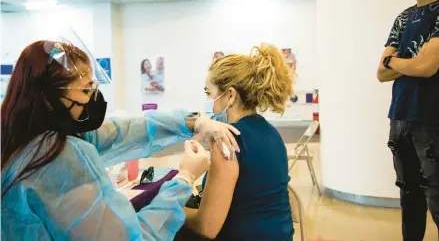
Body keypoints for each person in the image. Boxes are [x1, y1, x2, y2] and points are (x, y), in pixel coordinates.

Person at [1, 40, 241, 241]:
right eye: (86, 91)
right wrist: (184, 179)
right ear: (49, 98)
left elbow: (126, 131)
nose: (94, 98)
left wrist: (192, 122)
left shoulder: (21, 138)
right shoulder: (60, 157)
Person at [179, 44, 294, 240]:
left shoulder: (226, 140)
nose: (208, 101)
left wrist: (168, 210)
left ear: (230, 95)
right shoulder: (272, 133)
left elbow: (205, 227)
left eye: (209, 93)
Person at [378, 0, 439, 240]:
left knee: (437, 201)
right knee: (409, 201)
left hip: (432, 121)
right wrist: (410, 61)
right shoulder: (403, 17)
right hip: (400, 117)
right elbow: (381, 72)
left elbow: (428, 67)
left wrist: (396, 60)